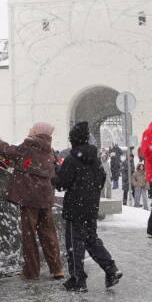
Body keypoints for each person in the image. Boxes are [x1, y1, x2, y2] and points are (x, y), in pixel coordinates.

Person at [53, 121, 122, 292]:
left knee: (74, 243)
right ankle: (111, 269)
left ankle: (78, 279)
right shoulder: (94, 159)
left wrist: (55, 174)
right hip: (90, 207)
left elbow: (62, 184)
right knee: (91, 240)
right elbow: (102, 178)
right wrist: (90, 194)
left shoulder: (71, 159)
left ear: (73, 140)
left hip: (75, 208)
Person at [0, 123, 65, 281]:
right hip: (45, 197)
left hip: (30, 197)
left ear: (37, 132)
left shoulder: (30, 145)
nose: (29, 129)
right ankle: (57, 269)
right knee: (49, 234)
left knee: (29, 235)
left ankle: (31, 272)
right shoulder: (49, 149)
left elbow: (9, 151)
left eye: (32, 128)